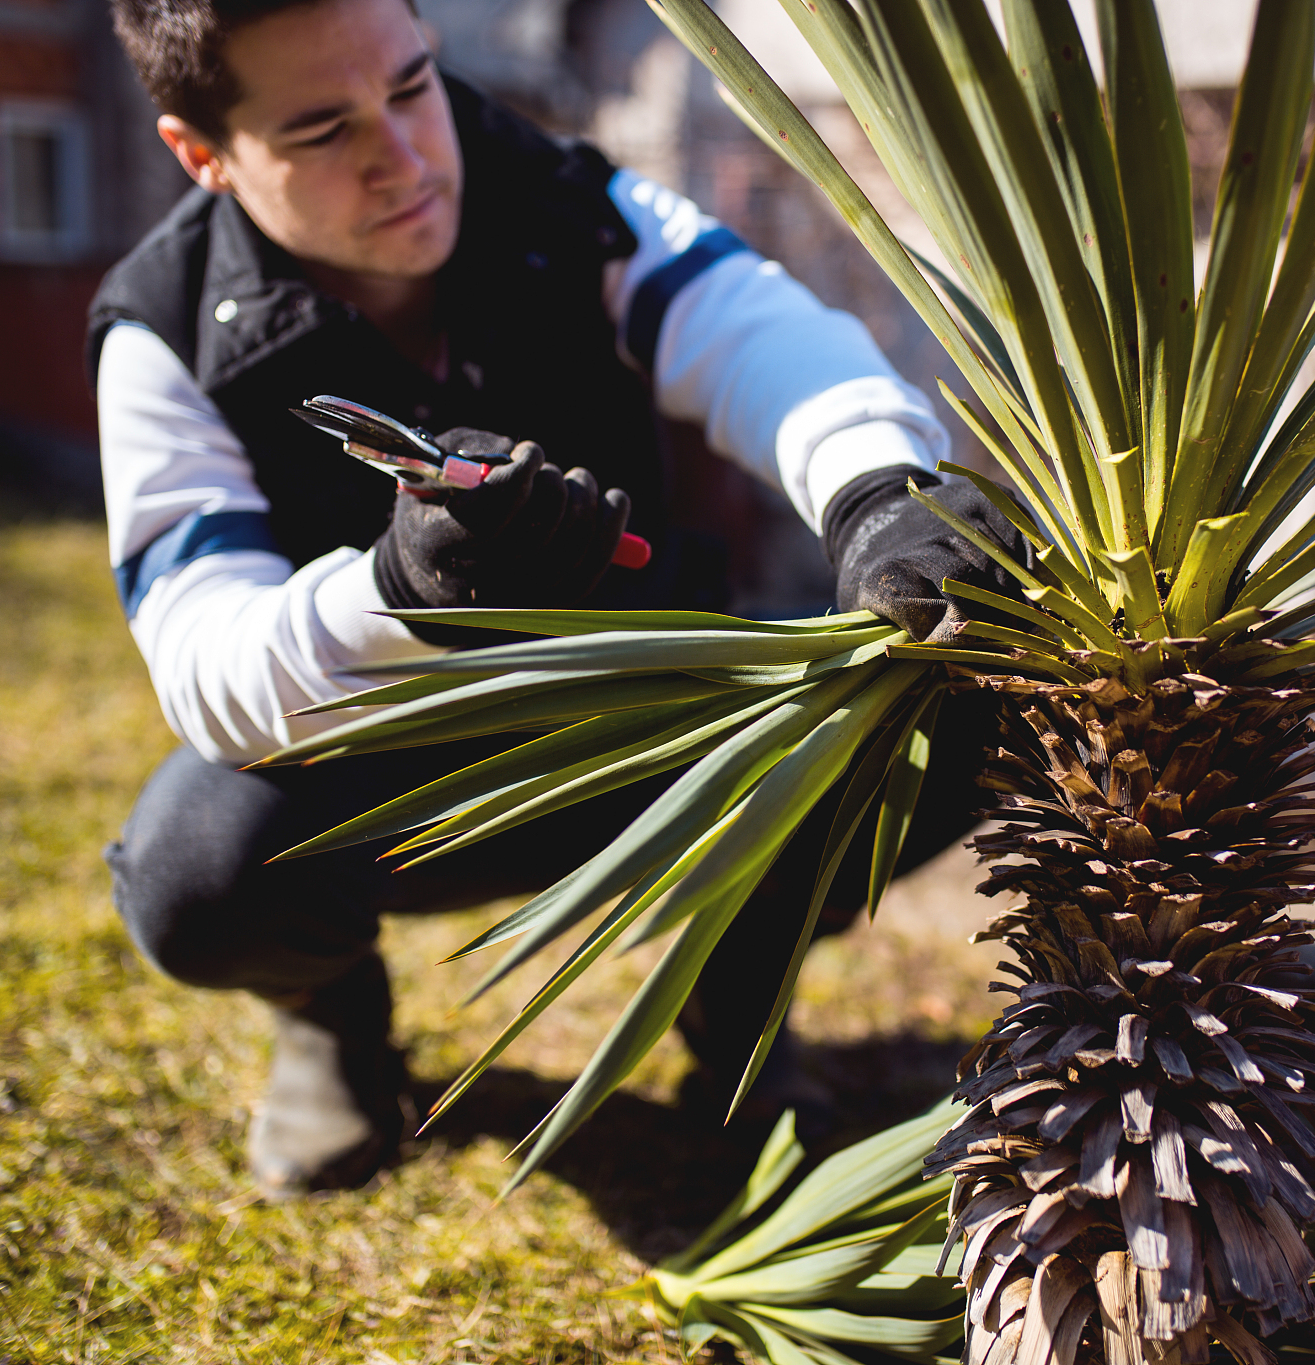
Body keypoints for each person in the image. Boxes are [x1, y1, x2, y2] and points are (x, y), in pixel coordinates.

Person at [93, 0, 1023, 1200]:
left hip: (656, 736)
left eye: (412, 85)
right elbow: (204, 659)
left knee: (949, 703)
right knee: (193, 876)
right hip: (394, 789)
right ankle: (330, 1017)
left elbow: (759, 334)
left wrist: (879, 497)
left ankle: (736, 997)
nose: (408, 157)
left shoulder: (567, 197)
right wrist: (401, 592)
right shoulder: (160, 336)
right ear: (201, 152)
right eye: (323, 130)